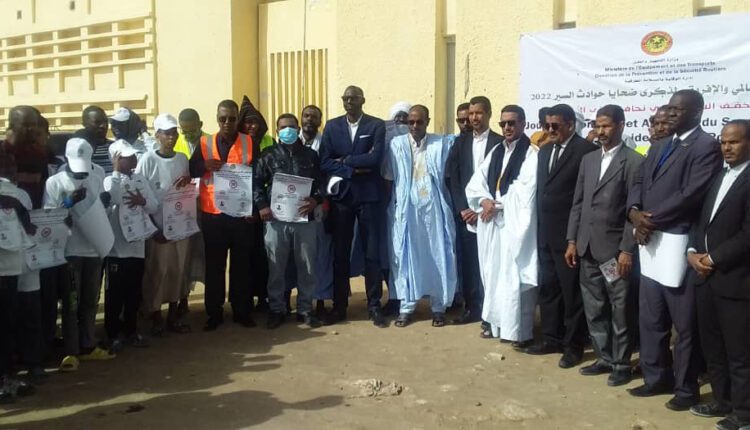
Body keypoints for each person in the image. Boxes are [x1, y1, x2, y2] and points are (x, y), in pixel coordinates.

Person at [626, 89, 722, 411]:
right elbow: (638, 181)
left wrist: (649, 220)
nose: (669, 114)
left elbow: (691, 193)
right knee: (651, 316)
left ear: (697, 112)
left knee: (684, 325)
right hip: (649, 240)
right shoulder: (661, 143)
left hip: (677, 240)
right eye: (668, 108)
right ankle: (656, 378)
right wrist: (634, 213)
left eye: (677, 110)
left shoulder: (706, 146)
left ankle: (685, 389)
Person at [564, 105, 643, 386]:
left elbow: (634, 212)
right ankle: (604, 357)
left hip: (613, 254)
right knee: (594, 306)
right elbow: (578, 204)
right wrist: (572, 240)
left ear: (620, 125)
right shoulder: (589, 160)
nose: (601, 131)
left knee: (620, 309)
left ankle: (621, 363)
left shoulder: (633, 162)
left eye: (606, 126)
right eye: (597, 126)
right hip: (586, 249)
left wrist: (626, 250)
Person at [522, 103, 598, 369]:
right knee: (549, 289)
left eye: (555, 126)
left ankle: (573, 345)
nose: (549, 130)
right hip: (545, 233)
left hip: (569, 237)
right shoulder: (544, 151)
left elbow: (585, 199)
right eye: (546, 125)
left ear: (570, 124)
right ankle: (551, 338)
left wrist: (574, 238)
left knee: (571, 294)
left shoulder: (586, 152)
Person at [686, 120, 750, 430]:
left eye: (734, 142)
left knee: (740, 352)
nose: (726, 147)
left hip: (736, 281)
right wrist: (692, 251)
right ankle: (722, 401)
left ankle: (744, 413)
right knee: (713, 347)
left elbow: (747, 235)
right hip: (706, 279)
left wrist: (712, 258)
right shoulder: (719, 176)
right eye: (723, 142)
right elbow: (701, 221)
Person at [465, 105, 539, 346]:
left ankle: (518, 332)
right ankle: (495, 324)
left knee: (513, 278)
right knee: (492, 275)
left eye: (512, 123)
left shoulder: (531, 154)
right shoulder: (496, 151)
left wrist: (495, 205)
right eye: (503, 123)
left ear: (523, 124)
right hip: (492, 225)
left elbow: (525, 191)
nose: (507, 127)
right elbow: (476, 182)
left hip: (513, 226)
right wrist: (484, 201)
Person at [44, 137, 115, 371]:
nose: (82, 173)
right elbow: (48, 217)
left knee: (90, 300)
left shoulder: (97, 174)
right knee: (71, 303)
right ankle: (71, 350)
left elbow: (101, 207)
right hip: (70, 251)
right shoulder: (55, 182)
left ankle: (87, 344)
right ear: (67, 158)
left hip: (94, 247)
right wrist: (66, 204)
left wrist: (105, 202)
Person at [319, 85, 387, 327]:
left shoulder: (376, 126)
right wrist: (353, 169)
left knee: (372, 253)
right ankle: (339, 307)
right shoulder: (332, 126)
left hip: (369, 196)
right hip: (343, 198)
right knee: (341, 253)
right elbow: (325, 161)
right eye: (346, 98)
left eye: (353, 98)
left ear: (362, 100)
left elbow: (375, 158)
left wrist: (346, 160)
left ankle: (374, 305)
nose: (349, 102)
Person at [384, 105, 457, 328]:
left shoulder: (440, 144)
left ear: (428, 121)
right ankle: (406, 307)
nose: (414, 126)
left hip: (433, 211)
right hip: (406, 210)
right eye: (411, 122)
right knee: (406, 256)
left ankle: (438, 308)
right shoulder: (396, 145)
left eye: (419, 122)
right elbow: (389, 178)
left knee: (437, 254)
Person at [189, 100, 259, 331]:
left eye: (231, 118)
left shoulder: (249, 142)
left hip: (241, 215)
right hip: (214, 215)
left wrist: (253, 209)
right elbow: (191, 168)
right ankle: (214, 312)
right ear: (217, 119)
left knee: (242, 265)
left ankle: (242, 311)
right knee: (215, 266)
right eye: (223, 118)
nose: (227, 122)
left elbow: (258, 176)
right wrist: (204, 165)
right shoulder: (204, 143)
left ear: (237, 119)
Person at [254, 113, 324, 329]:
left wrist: (316, 199)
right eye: (283, 127)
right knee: (276, 266)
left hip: (305, 219)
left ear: (298, 129)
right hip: (276, 220)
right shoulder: (268, 155)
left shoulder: (311, 156)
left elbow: (321, 183)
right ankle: (277, 309)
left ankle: (305, 309)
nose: (288, 131)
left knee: (307, 266)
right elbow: (256, 183)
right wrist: (262, 205)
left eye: (292, 127)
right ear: (277, 131)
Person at [446, 96, 502, 325]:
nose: (474, 118)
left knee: (491, 264)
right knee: (469, 264)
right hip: (467, 215)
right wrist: (464, 208)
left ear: (488, 114)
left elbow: (502, 180)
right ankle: (472, 308)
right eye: (471, 113)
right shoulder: (460, 143)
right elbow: (453, 178)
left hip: (491, 213)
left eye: (478, 113)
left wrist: (484, 206)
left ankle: (492, 312)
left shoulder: (500, 142)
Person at [136, 114, 193, 336]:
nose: (171, 137)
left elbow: (186, 188)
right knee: (158, 271)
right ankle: (155, 316)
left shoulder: (182, 159)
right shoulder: (147, 160)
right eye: (166, 133)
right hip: (158, 226)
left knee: (178, 270)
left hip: (180, 225)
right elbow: (140, 193)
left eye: (174, 133)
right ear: (157, 135)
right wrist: (153, 228)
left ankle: (173, 315)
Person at [103, 140, 158, 349]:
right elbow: (114, 199)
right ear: (116, 159)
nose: (133, 159)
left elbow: (154, 206)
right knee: (114, 295)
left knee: (134, 293)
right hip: (117, 249)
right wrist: (116, 172)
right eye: (126, 157)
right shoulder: (108, 181)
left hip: (137, 247)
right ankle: (112, 334)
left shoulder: (141, 180)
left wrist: (142, 201)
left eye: (133, 155)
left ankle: (131, 331)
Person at [0, 145, 37, 402]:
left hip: (13, 269)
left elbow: (29, 228)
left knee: (8, 325)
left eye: (13, 165)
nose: (12, 170)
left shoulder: (15, 194)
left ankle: (6, 376)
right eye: (6, 165)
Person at [238, 96, 272, 312]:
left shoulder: (270, 142)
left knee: (264, 255)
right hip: (242, 208)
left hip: (266, 207)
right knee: (244, 257)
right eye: (248, 122)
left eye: (255, 122)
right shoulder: (237, 143)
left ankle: (264, 298)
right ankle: (245, 300)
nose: (252, 126)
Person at [174, 108, 209, 317]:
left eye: (192, 130)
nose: (187, 134)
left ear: (200, 125)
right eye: (184, 130)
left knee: (205, 255)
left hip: (206, 207)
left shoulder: (210, 143)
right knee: (184, 256)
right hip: (182, 210)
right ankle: (182, 298)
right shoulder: (175, 143)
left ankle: (211, 301)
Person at [300, 105, 334, 313]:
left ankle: (321, 299)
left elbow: (328, 174)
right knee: (299, 255)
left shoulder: (326, 144)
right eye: (306, 116)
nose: (309, 120)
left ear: (320, 121)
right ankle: (299, 300)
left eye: (314, 117)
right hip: (295, 205)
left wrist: (322, 199)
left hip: (321, 204)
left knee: (321, 253)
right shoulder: (290, 141)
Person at [73, 106, 114, 175]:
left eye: (106, 121)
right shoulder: (79, 150)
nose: (103, 126)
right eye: (97, 122)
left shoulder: (115, 147)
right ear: (84, 124)